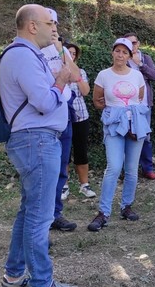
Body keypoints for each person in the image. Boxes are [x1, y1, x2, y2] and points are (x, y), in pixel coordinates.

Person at [0, 4, 75, 287]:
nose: (54, 28)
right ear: (32, 26)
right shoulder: (22, 56)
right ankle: (42, 282)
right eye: (49, 23)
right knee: (40, 218)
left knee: (30, 210)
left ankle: (14, 275)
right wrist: (60, 81)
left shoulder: (26, 54)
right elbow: (43, 102)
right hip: (37, 140)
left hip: (35, 140)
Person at [87, 38, 150, 232]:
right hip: (114, 125)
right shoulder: (103, 75)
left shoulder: (137, 75)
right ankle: (103, 212)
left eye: (125, 52)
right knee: (113, 166)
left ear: (130, 56)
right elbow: (97, 101)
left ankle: (126, 206)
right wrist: (114, 111)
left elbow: (139, 98)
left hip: (135, 124)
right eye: (118, 51)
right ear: (112, 53)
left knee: (131, 168)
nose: (121, 55)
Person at [42, 8, 78, 233]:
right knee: (44, 171)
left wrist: (60, 51)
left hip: (63, 116)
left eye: (55, 23)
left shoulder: (60, 48)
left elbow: (75, 76)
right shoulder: (30, 50)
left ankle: (55, 213)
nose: (53, 27)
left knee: (61, 169)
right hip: (42, 119)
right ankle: (41, 218)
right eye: (49, 23)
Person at [124, 32, 155, 180]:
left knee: (145, 137)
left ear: (138, 43)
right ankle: (127, 171)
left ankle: (147, 169)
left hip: (145, 105)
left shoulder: (145, 58)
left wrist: (140, 64)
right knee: (126, 136)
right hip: (126, 106)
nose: (131, 46)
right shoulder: (122, 58)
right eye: (128, 43)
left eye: (134, 42)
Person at [64, 42, 96, 198]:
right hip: (62, 118)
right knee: (64, 152)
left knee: (81, 151)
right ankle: (64, 185)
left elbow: (85, 91)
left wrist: (76, 77)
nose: (71, 55)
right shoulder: (55, 70)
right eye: (68, 52)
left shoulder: (81, 72)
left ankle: (84, 184)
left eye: (74, 53)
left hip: (80, 116)